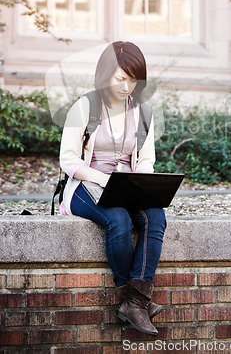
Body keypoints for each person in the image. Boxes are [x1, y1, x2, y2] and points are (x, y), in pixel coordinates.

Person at [59, 41, 166, 336]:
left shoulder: (143, 113)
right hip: (87, 183)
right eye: (121, 78)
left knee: (155, 216)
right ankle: (132, 298)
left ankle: (135, 301)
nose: (126, 86)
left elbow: (145, 161)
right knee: (117, 218)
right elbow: (68, 160)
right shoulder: (85, 106)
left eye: (133, 79)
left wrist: (144, 186)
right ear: (106, 74)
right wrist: (103, 179)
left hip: (127, 186)